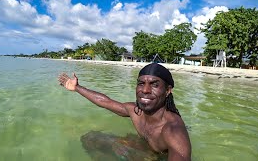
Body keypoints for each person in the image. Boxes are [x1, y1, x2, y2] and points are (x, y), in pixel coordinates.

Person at [58, 63, 191, 161]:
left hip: (159, 157)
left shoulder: (173, 131)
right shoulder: (135, 111)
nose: (145, 90)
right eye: (141, 83)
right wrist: (77, 88)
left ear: (168, 91)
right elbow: (105, 101)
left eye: (154, 85)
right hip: (145, 148)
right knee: (90, 138)